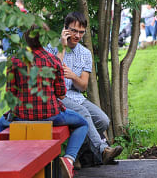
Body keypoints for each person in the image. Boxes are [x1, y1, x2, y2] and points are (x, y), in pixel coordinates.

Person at [0, 24, 88, 178]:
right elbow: (61, 93)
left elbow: (11, 93)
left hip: (21, 116)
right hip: (51, 115)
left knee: (0, 125)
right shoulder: (53, 61)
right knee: (83, 124)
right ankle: (69, 159)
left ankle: (4, 158)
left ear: (26, 39)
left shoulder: (15, 61)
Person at [46, 12, 123, 166]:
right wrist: (62, 46)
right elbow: (50, 77)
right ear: (65, 29)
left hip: (76, 96)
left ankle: (79, 154)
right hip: (57, 96)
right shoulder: (51, 48)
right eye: (74, 31)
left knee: (103, 120)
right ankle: (103, 150)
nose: (77, 35)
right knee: (84, 114)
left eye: (81, 32)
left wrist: (73, 76)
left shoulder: (85, 53)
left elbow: (83, 86)